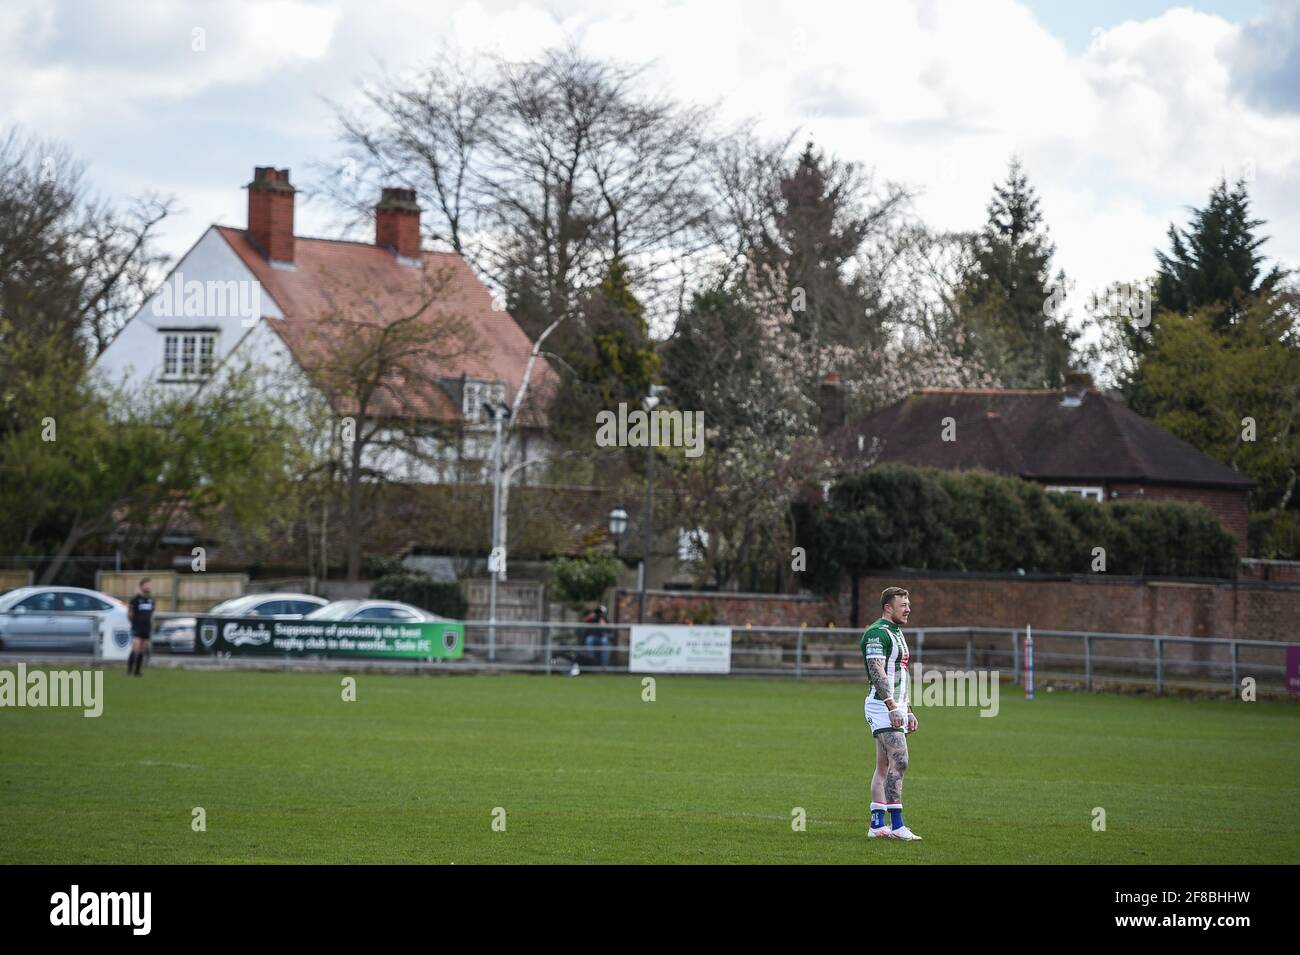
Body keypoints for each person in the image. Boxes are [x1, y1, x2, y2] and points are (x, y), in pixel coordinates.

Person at [862, 586, 922, 841]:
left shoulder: (896, 632)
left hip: (895, 706)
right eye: (903, 605)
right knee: (901, 761)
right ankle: (897, 826)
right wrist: (890, 705)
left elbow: (900, 675)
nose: (908, 609)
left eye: (908, 605)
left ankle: (877, 825)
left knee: (884, 766)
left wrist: (907, 709)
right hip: (881, 706)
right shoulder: (877, 633)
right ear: (888, 607)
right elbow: (878, 672)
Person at [126, 578, 155, 677]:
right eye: (146, 584)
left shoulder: (151, 600)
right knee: (136, 648)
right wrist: (134, 623)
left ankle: (137, 671)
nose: (148, 586)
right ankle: (129, 671)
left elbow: (150, 613)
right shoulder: (135, 599)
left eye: (149, 585)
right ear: (141, 586)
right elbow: (130, 614)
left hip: (147, 628)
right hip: (137, 627)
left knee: (142, 649)